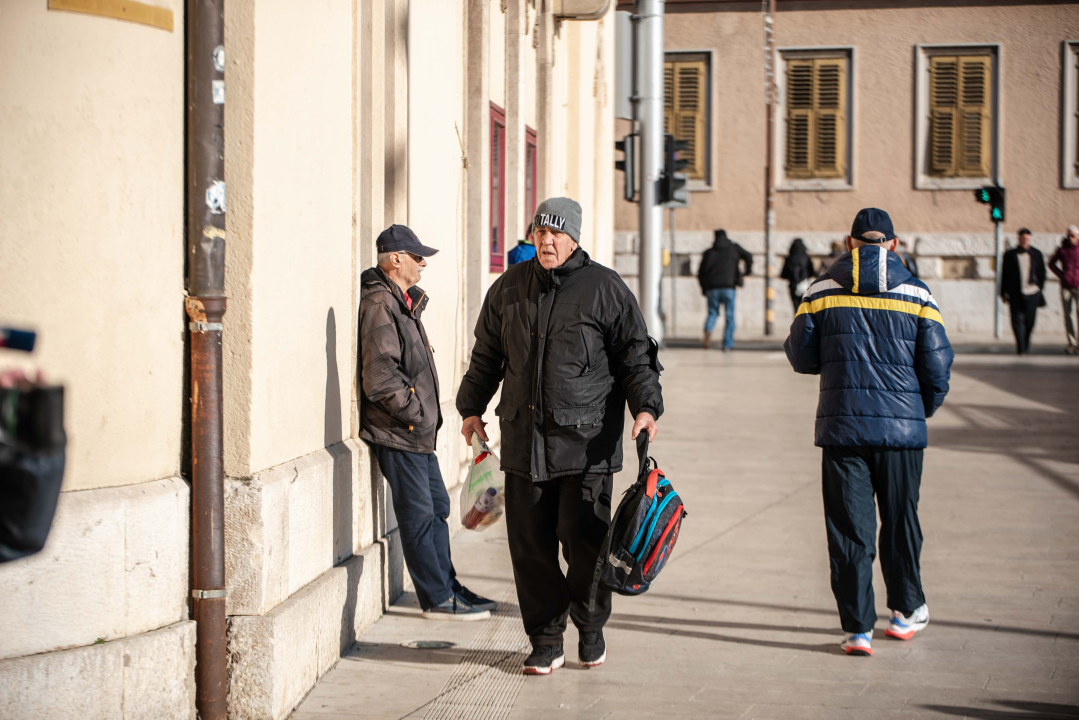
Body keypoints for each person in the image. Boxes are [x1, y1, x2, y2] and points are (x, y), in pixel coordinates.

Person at [457, 197, 663, 675]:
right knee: (530, 549)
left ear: (573, 238)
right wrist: (471, 408)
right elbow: (487, 355)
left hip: (588, 445)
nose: (546, 241)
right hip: (524, 443)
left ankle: (590, 629)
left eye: (555, 234)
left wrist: (647, 406)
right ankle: (546, 641)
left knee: (585, 545)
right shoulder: (508, 288)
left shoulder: (605, 288)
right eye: (539, 232)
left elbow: (636, 355)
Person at [784, 208, 953, 658]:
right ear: (893, 245)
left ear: (849, 243)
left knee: (848, 529)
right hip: (902, 431)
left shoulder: (820, 289)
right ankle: (905, 611)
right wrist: (921, 410)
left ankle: (858, 628)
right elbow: (937, 364)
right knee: (901, 521)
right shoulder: (918, 292)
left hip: (843, 428)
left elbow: (800, 356)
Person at [358, 224, 495, 621]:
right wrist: (417, 415)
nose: (422, 262)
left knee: (436, 506)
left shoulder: (401, 301)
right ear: (394, 259)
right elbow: (382, 379)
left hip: (416, 433)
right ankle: (436, 598)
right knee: (418, 516)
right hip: (400, 431)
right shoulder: (380, 304)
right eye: (416, 256)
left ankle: (448, 586)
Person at [697, 229, 753, 351]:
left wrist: (704, 288)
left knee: (712, 313)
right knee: (730, 316)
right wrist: (746, 273)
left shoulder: (709, 252)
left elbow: (701, 272)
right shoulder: (734, 248)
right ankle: (727, 344)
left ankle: (708, 329)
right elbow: (748, 256)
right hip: (729, 287)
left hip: (712, 289)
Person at [1001, 228, 1047, 355]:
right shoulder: (1010, 255)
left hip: (1033, 292)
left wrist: (1039, 287)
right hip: (1015, 293)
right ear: (1019, 238)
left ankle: (1025, 342)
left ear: (1030, 238)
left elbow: (1042, 272)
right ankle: (1021, 347)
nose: (1025, 240)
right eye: (1022, 238)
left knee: (1029, 321)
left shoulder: (1036, 253)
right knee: (1016, 321)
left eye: (1027, 238)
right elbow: (1004, 274)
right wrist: (1002, 292)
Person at [1049, 224, 1079, 355]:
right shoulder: (1062, 250)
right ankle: (1072, 343)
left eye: (1073, 235)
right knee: (1068, 316)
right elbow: (1051, 263)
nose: (1070, 238)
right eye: (1068, 235)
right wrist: (1061, 275)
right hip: (1066, 286)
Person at [779, 238, 816, 311]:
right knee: (805, 307)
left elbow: (784, 274)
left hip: (793, 285)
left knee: (796, 308)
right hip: (804, 285)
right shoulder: (806, 258)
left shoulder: (789, 258)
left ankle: (798, 321)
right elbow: (811, 272)